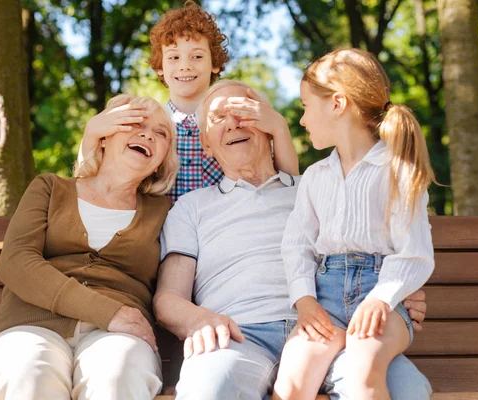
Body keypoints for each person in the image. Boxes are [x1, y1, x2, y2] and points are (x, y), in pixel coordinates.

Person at [153, 79, 432, 400]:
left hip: (332, 329)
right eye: (218, 118)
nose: (232, 123)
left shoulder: (319, 186)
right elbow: (168, 299)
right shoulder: (191, 206)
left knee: (406, 390)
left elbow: (378, 250)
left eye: (243, 112)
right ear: (205, 144)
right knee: (209, 387)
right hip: (239, 335)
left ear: (268, 125)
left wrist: (394, 292)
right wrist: (201, 320)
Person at [0, 95, 179, 400]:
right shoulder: (49, 188)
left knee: (117, 374)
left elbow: (180, 289)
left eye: (161, 133)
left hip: (119, 338)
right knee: (29, 372)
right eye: (134, 123)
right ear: (104, 138)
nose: (148, 134)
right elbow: (17, 262)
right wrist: (107, 311)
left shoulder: (166, 212)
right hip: (27, 326)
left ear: (162, 160)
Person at [272, 48, 435, 400]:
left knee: (362, 369)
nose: (301, 120)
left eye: (304, 106)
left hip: (381, 298)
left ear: (337, 104)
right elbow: (297, 245)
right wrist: (304, 300)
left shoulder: (397, 171)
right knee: (290, 383)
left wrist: (380, 299)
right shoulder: (315, 177)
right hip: (325, 301)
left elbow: (413, 252)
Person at [78, 0, 299, 203]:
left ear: (215, 64)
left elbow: (286, 181)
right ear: (160, 68)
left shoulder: (234, 121)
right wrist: (91, 134)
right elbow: (94, 179)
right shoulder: (151, 126)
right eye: (174, 57)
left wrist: (278, 127)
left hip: (225, 229)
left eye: (197, 56)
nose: (185, 65)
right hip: (163, 237)